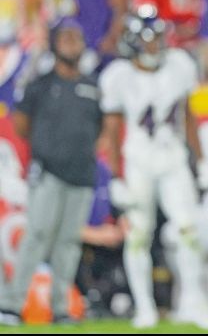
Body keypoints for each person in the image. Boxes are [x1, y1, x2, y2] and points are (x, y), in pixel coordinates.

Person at [99, 5, 208, 330]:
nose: (154, 45)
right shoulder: (118, 76)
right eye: (147, 39)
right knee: (138, 234)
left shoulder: (179, 66)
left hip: (172, 158)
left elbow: (188, 117)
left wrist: (201, 160)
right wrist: (116, 176)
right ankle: (144, 307)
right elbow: (112, 131)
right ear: (133, 41)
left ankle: (194, 303)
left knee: (188, 230)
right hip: (138, 161)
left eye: (157, 38)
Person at [0, 19, 101, 326]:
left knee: (68, 243)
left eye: (77, 37)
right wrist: (48, 149)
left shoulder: (93, 86)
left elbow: (100, 129)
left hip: (81, 174)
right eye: (66, 38)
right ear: (55, 44)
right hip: (48, 172)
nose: (72, 43)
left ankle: (61, 308)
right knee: (36, 236)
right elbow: (21, 125)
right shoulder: (40, 85)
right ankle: (12, 305)